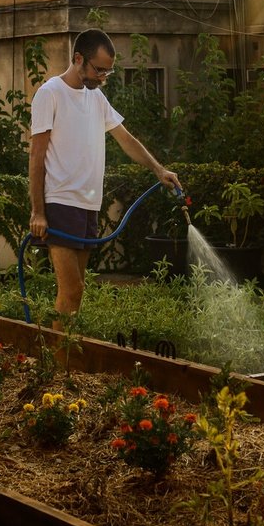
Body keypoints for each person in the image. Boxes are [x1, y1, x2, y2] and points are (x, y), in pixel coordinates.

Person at [29, 29, 180, 329]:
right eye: (99, 70)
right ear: (78, 59)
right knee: (72, 290)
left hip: (88, 206)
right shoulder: (50, 94)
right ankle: (58, 364)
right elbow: (36, 156)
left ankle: (59, 358)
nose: (102, 77)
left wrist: (158, 169)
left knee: (76, 294)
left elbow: (125, 139)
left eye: (107, 71)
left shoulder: (96, 98)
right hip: (59, 202)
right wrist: (38, 211)